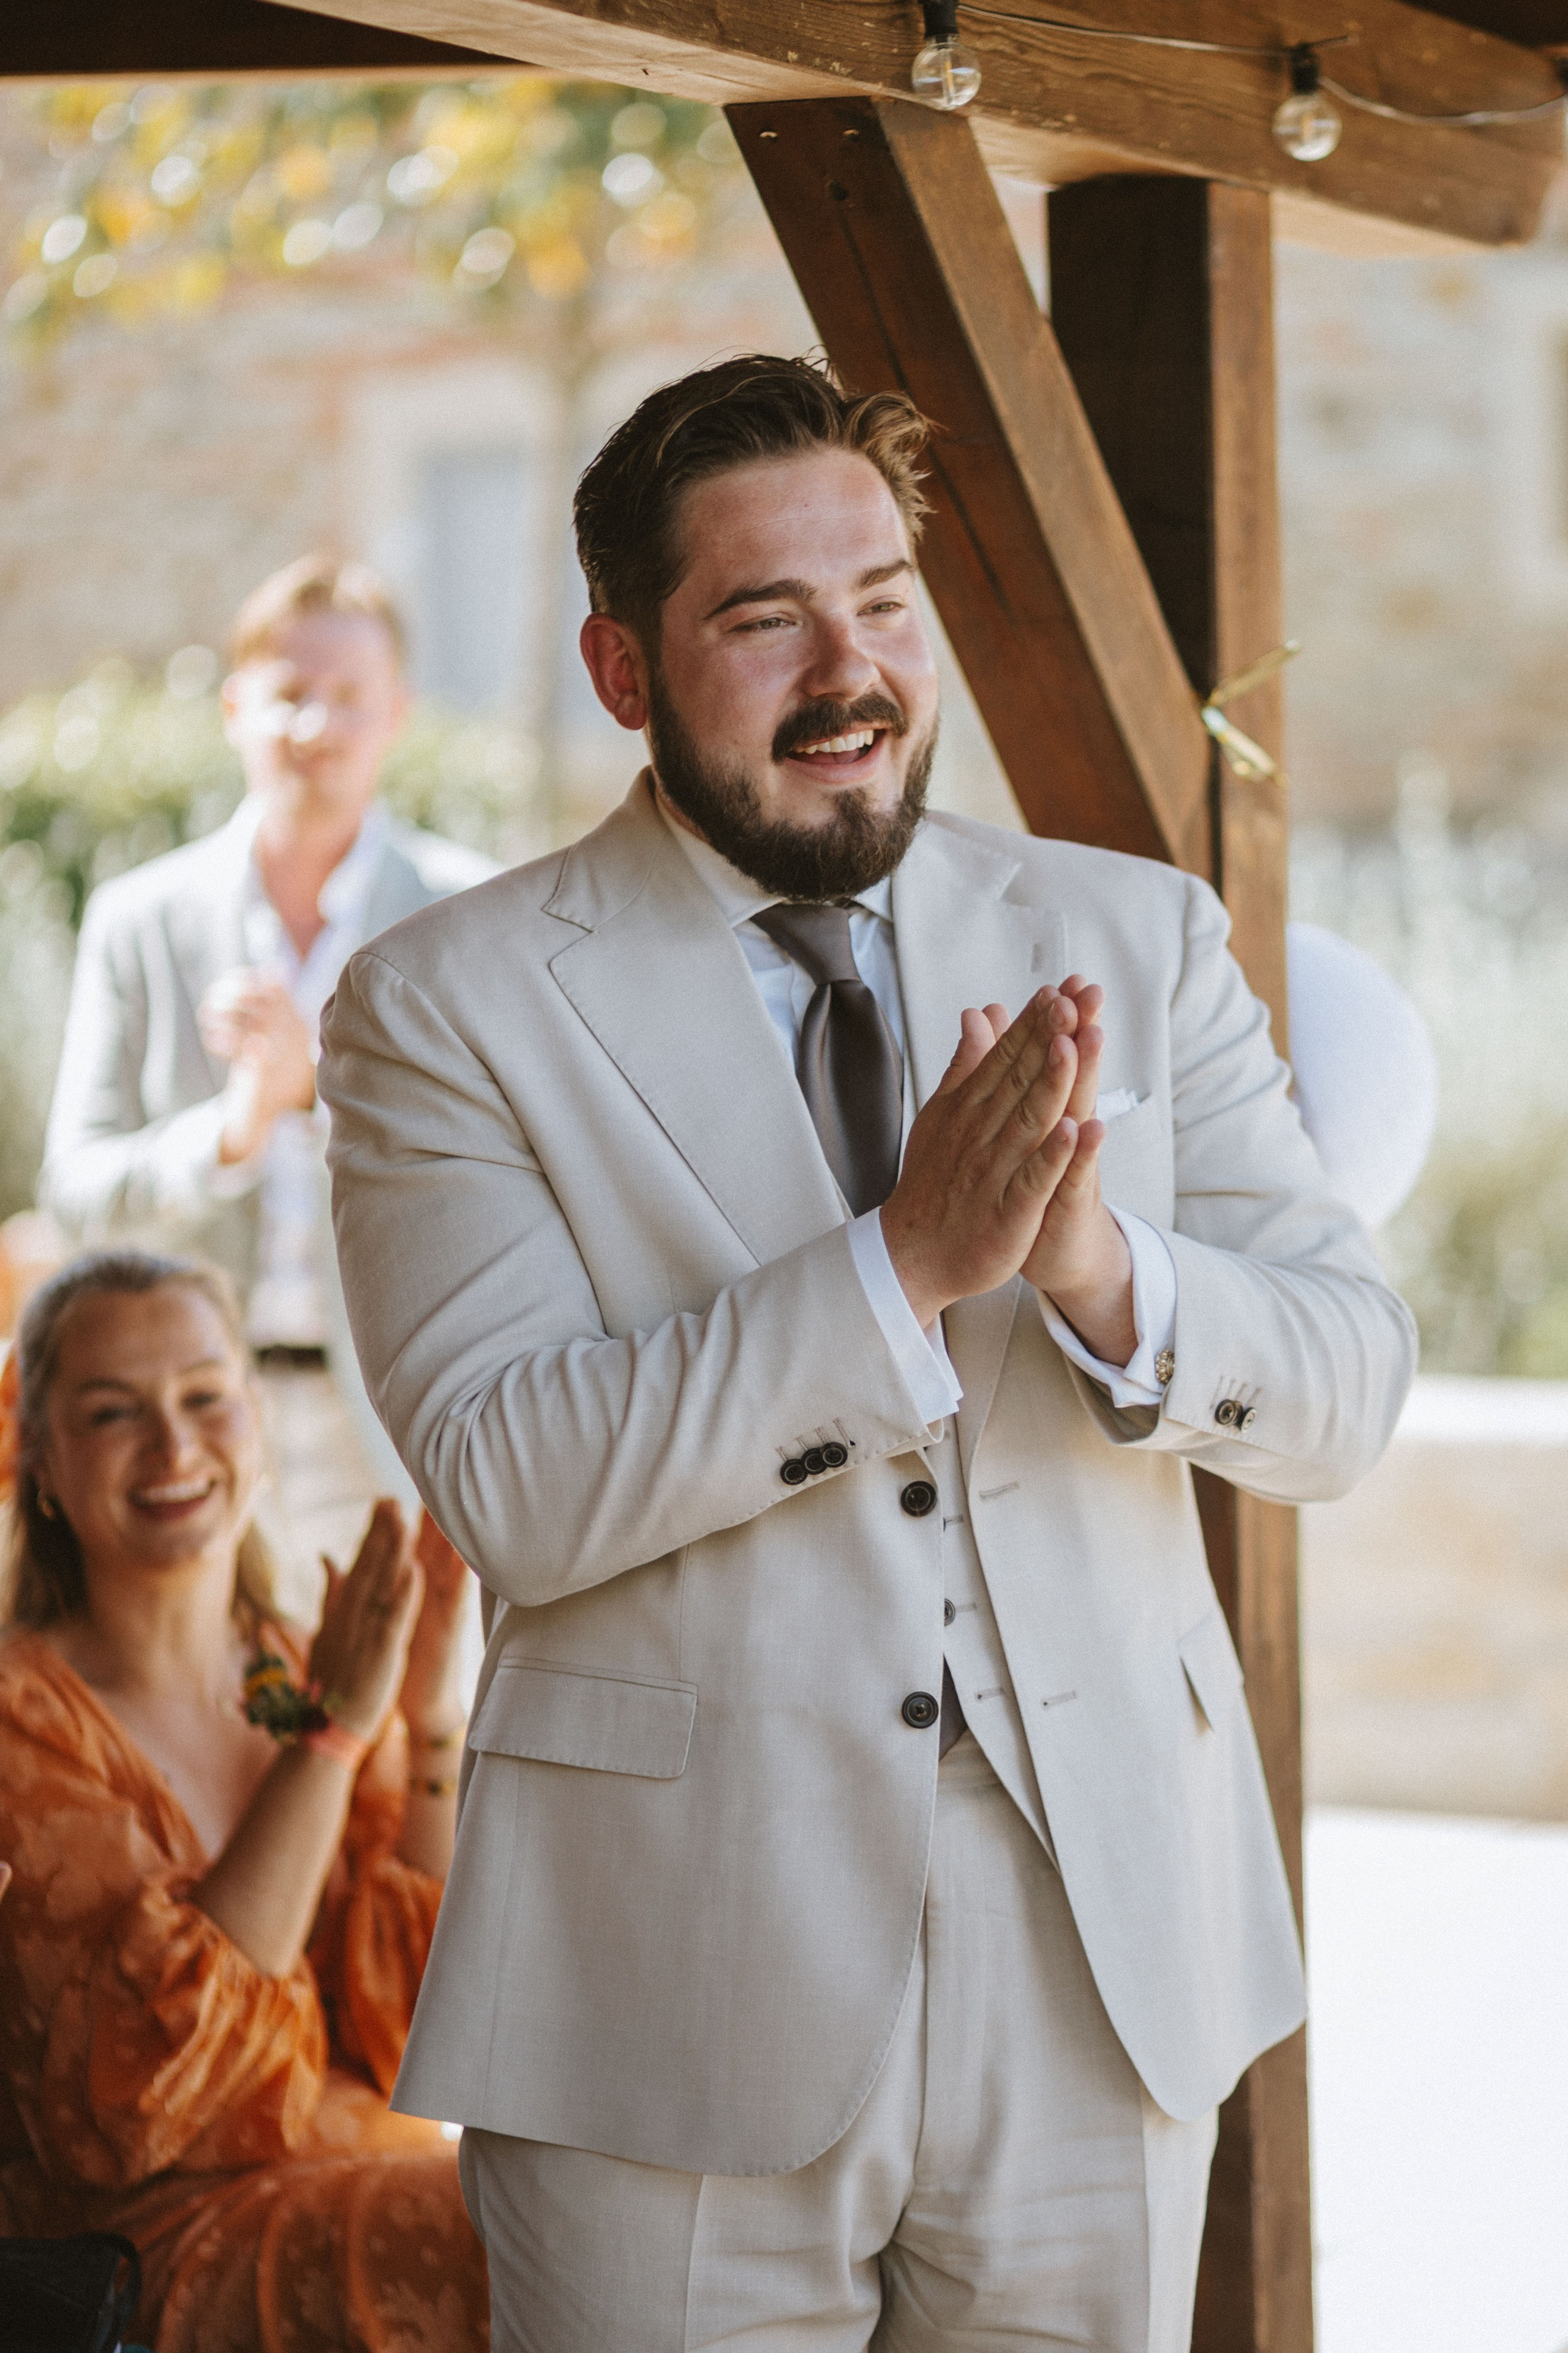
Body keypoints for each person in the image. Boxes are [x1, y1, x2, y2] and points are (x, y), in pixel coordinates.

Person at [317, 355, 1418, 2353]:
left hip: (1102, 1963)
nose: (856, 669)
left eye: (886, 597)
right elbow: (514, 1482)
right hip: (665, 1976)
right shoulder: (446, 1006)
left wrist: (1104, 1273)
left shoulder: (1139, 938)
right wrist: (899, 1264)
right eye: (767, 616)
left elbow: (1346, 1382)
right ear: (626, 669)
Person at [0, 1249, 488, 2353]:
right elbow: (154, 2098)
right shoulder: (23, 1719)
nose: (173, 1446)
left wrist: (425, 1723)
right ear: (43, 1462)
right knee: (532, 2239)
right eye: (116, 1412)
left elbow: (428, 2016)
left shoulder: (303, 1662)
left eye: (205, 1397)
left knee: (607, 2207)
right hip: (148, 2241)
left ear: (256, 1427)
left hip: (373, 2170)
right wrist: (334, 1739)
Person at [39, 556, 496, 1587]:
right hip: (183, 1428)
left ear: (396, 715)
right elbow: (72, 1196)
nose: (314, 728)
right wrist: (234, 1131)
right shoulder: (140, 920)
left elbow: (505, 1183)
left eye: (347, 699)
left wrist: (313, 1098)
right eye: (290, 696)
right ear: (237, 706)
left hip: (398, 1419)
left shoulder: (468, 920)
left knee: (393, 1737)